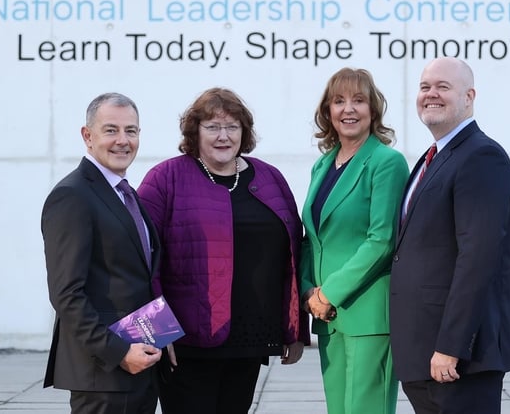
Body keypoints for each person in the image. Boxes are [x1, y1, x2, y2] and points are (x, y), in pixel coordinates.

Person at [137, 87, 310, 414]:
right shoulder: (165, 179)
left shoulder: (270, 178)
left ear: (244, 132)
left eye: (232, 127)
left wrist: (296, 328)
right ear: (195, 131)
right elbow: (140, 259)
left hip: (250, 339)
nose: (223, 136)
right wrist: (156, 333)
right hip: (185, 344)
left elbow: (292, 256)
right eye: (213, 127)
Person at [390, 57, 510, 414]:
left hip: (459, 359)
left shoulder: (482, 156)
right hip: (423, 354)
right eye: (425, 87)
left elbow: (478, 259)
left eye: (443, 87)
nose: (431, 94)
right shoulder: (433, 158)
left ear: (469, 97)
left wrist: (451, 346)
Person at [41, 92, 163, 414]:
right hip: (103, 371)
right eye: (111, 130)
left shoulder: (126, 194)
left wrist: (161, 336)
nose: (123, 140)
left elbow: (135, 278)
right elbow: (67, 295)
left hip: (139, 363)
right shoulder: (72, 196)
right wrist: (119, 352)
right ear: (88, 136)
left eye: (131, 131)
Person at [300, 67, 409, 414]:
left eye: (358, 100)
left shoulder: (387, 163)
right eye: (339, 101)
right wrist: (308, 292)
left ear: (372, 109)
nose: (348, 109)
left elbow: (382, 241)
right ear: (328, 111)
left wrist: (328, 293)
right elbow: (312, 237)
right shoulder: (322, 166)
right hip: (327, 316)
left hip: (367, 314)